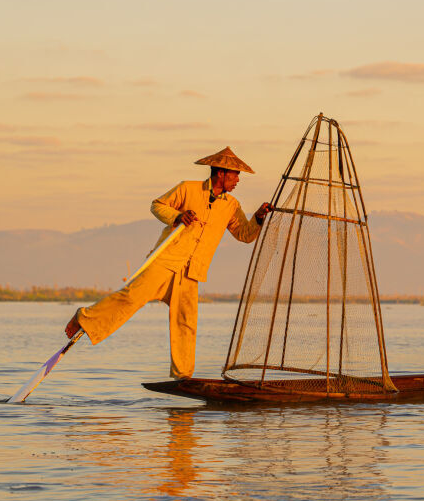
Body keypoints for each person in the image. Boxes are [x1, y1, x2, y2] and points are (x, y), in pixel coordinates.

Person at [64, 147, 272, 379]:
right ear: (220, 173)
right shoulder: (188, 188)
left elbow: (244, 234)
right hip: (166, 260)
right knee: (132, 296)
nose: (237, 180)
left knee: (186, 323)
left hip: (192, 270)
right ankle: (84, 317)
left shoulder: (231, 205)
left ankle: (182, 376)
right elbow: (157, 205)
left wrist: (258, 218)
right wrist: (177, 216)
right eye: (234, 175)